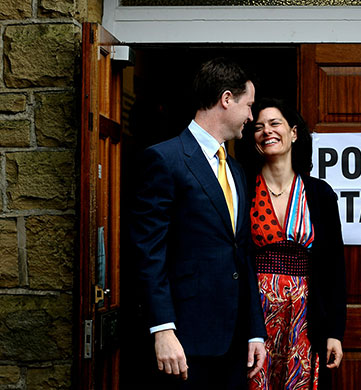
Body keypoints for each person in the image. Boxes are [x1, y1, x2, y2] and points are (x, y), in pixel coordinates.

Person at [130, 57, 267, 390]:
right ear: (226, 99)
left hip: (235, 344)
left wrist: (254, 331)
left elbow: (242, 254)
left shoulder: (235, 170)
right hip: (185, 341)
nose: (251, 116)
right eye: (248, 105)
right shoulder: (165, 159)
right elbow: (149, 251)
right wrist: (162, 329)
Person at [238, 98, 346, 390]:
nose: (266, 131)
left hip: (305, 317)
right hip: (253, 314)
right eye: (258, 127)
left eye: (275, 124)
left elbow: (335, 266)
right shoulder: (242, 187)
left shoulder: (319, 193)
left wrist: (335, 331)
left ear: (294, 133)